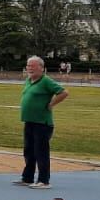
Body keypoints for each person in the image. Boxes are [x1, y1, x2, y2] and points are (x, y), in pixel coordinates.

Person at [16, 55, 68, 189]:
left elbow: (63, 92)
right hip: (29, 121)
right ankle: (27, 178)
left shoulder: (46, 81)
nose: (30, 69)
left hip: (42, 123)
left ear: (41, 68)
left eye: (33, 66)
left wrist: (51, 104)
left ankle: (44, 180)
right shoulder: (28, 80)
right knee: (29, 151)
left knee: (41, 152)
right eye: (28, 66)